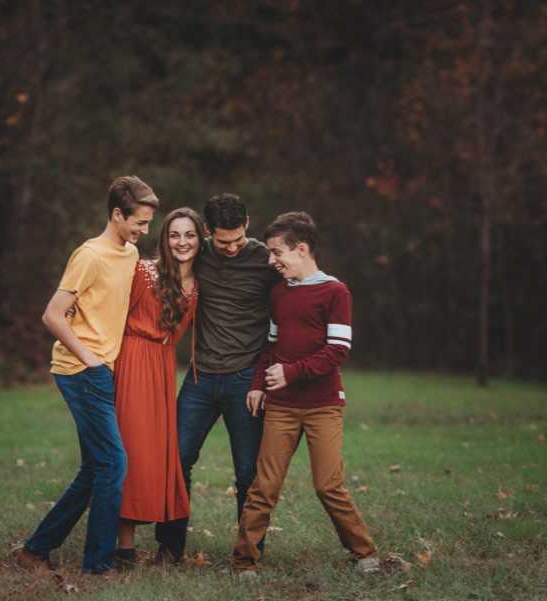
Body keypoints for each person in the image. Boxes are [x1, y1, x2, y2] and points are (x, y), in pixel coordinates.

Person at [16, 175, 159, 575]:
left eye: (149, 224)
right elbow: (52, 314)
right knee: (113, 463)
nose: (145, 231)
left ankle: (36, 549)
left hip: (103, 370)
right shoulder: (89, 255)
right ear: (116, 214)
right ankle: (97, 564)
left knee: (95, 466)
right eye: (139, 223)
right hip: (80, 370)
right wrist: (90, 358)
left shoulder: (129, 253)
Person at [232, 211, 380, 575]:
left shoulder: (335, 291)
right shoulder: (279, 294)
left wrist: (291, 372)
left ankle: (365, 554)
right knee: (263, 486)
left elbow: (338, 350)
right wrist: (258, 385)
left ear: (301, 249)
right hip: (281, 407)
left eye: (276, 252)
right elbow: (269, 347)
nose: (271, 261)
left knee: (329, 485)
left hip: (323, 406)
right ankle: (244, 562)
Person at [154, 193, 280, 562]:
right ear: (208, 232)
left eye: (238, 239)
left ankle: (249, 549)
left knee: (247, 472)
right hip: (200, 377)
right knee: (176, 458)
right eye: (222, 241)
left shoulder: (263, 259)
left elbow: (297, 281)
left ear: (247, 225)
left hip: (246, 378)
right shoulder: (197, 253)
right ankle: (169, 546)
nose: (231, 247)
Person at [112, 207, 205, 566]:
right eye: (174, 235)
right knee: (132, 449)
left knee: (154, 454)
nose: (182, 242)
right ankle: (124, 546)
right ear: (164, 240)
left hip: (163, 368)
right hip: (132, 359)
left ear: (200, 239)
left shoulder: (198, 286)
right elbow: (113, 311)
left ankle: (159, 542)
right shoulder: (142, 270)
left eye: (189, 235)